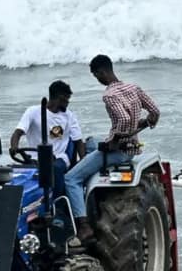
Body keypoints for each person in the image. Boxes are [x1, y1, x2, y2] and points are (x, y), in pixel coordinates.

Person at [63, 55, 160, 240]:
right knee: (91, 143)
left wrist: (115, 140)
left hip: (118, 152)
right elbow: (155, 111)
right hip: (133, 149)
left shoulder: (109, 95)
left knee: (71, 178)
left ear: (101, 72)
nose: (98, 80)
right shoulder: (133, 88)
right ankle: (91, 198)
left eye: (96, 76)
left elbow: (123, 119)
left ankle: (84, 225)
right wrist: (144, 124)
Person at [9, 80, 84, 198]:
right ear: (60, 97)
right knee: (11, 173)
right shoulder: (33, 112)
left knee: (55, 168)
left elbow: (78, 141)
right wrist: (14, 146)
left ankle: (58, 204)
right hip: (34, 157)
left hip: (58, 157)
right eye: (67, 99)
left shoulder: (69, 116)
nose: (68, 102)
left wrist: (83, 163)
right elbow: (18, 132)